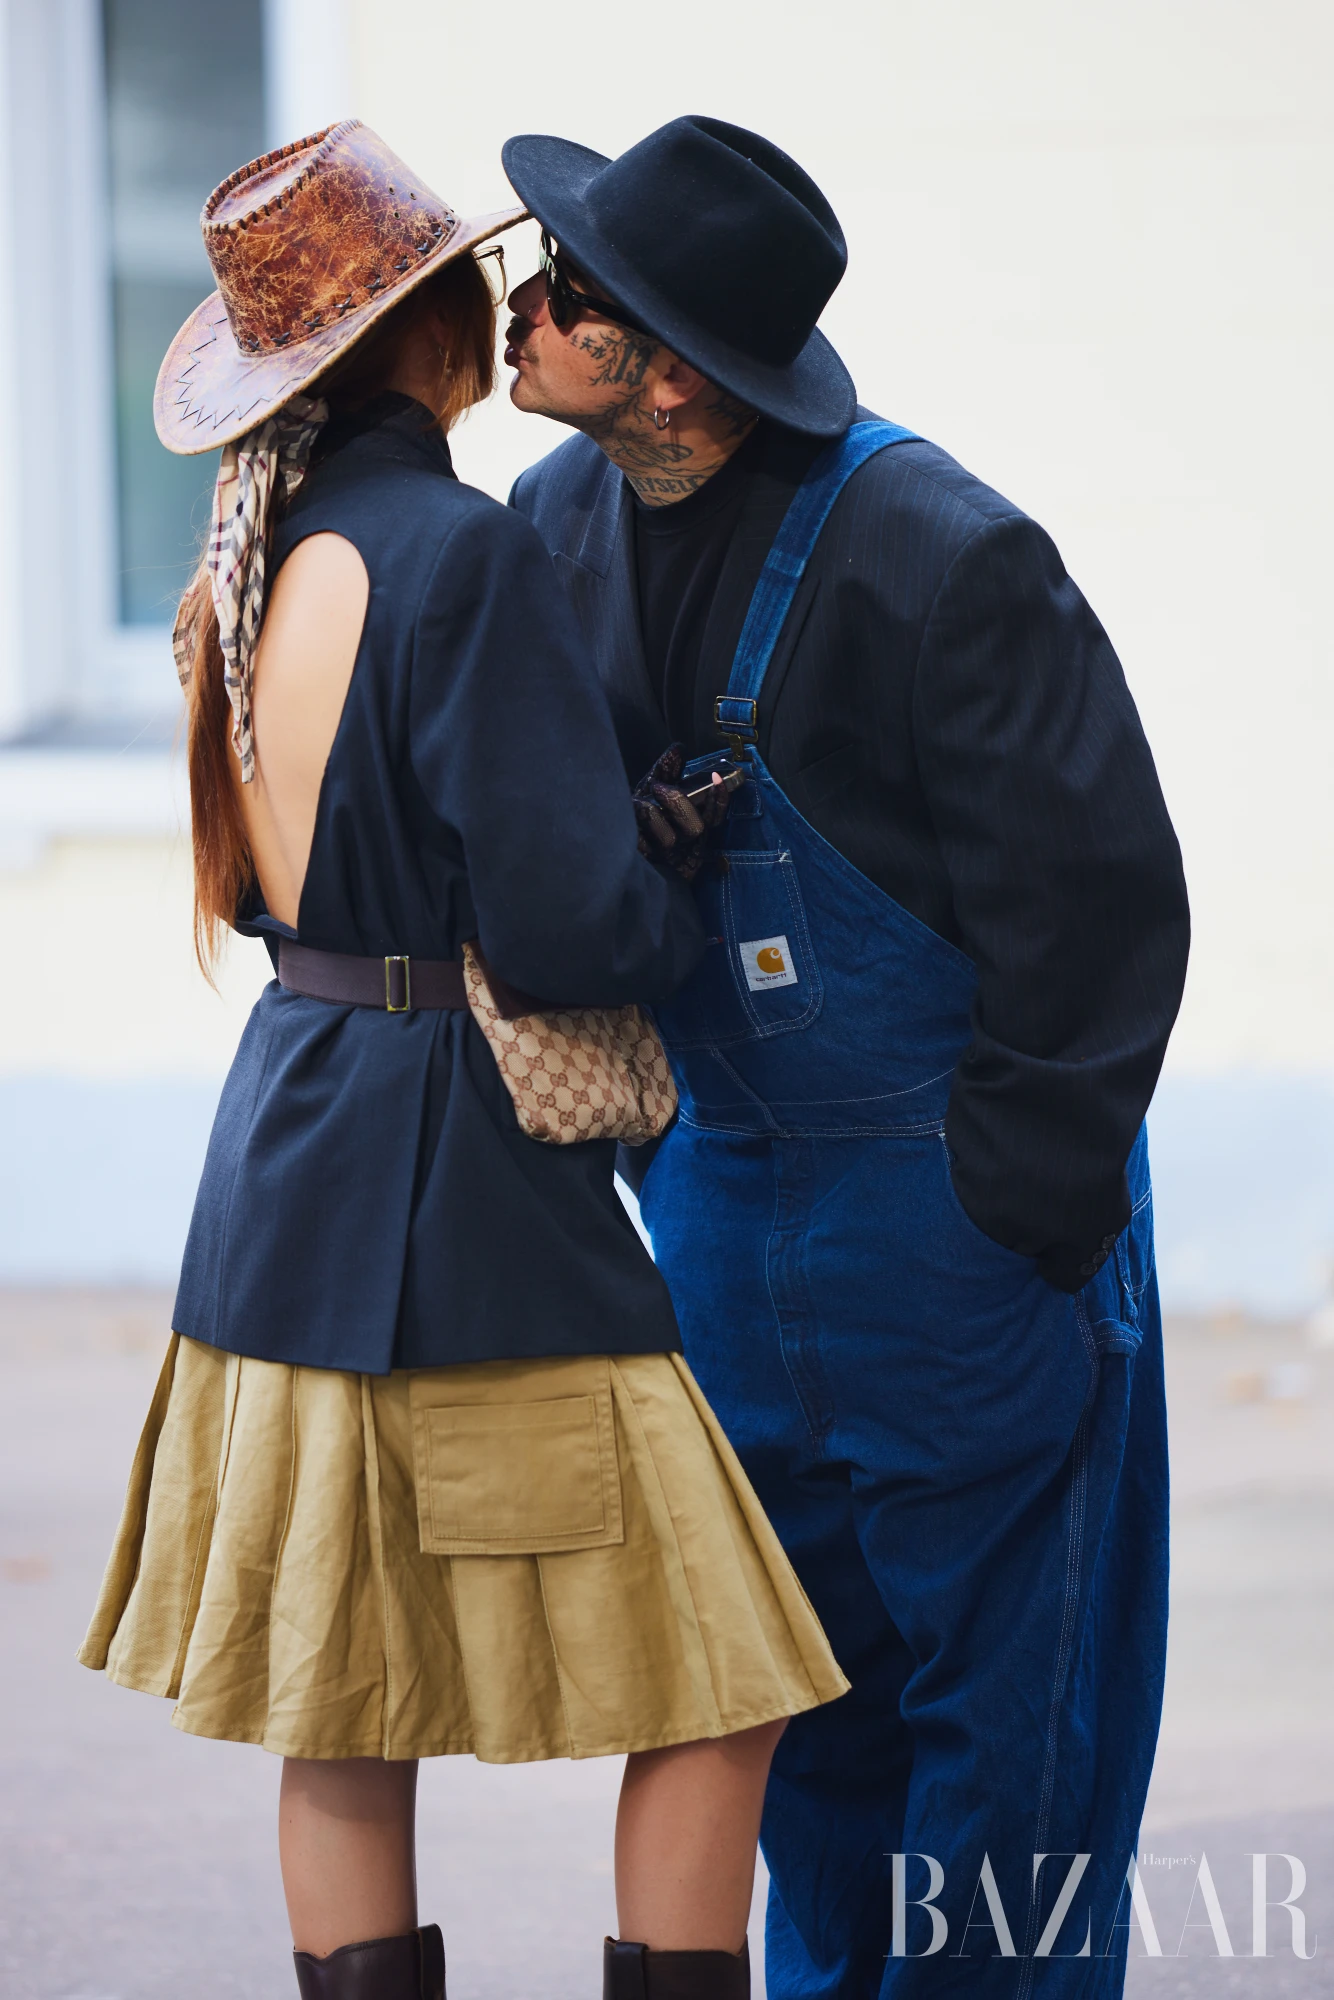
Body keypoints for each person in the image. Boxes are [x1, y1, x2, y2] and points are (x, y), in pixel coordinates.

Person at [79, 120, 847, 2000]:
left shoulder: (255, 562)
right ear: (422, 330)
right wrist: (648, 867)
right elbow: (574, 929)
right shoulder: (461, 552)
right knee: (731, 1682)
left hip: (285, 1169)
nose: (510, 305)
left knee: (341, 1715)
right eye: (480, 287)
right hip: (472, 1206)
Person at [504, 115, 1191, 1998]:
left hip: (958, 1239)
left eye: (560, 289)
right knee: (797, 1740)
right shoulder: (550, 532)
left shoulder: (941, 554)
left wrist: (1013, 1217)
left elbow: (1104, 916)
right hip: (723, 1218)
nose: (518, 305)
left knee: (1015, 1769)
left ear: (664, 369)